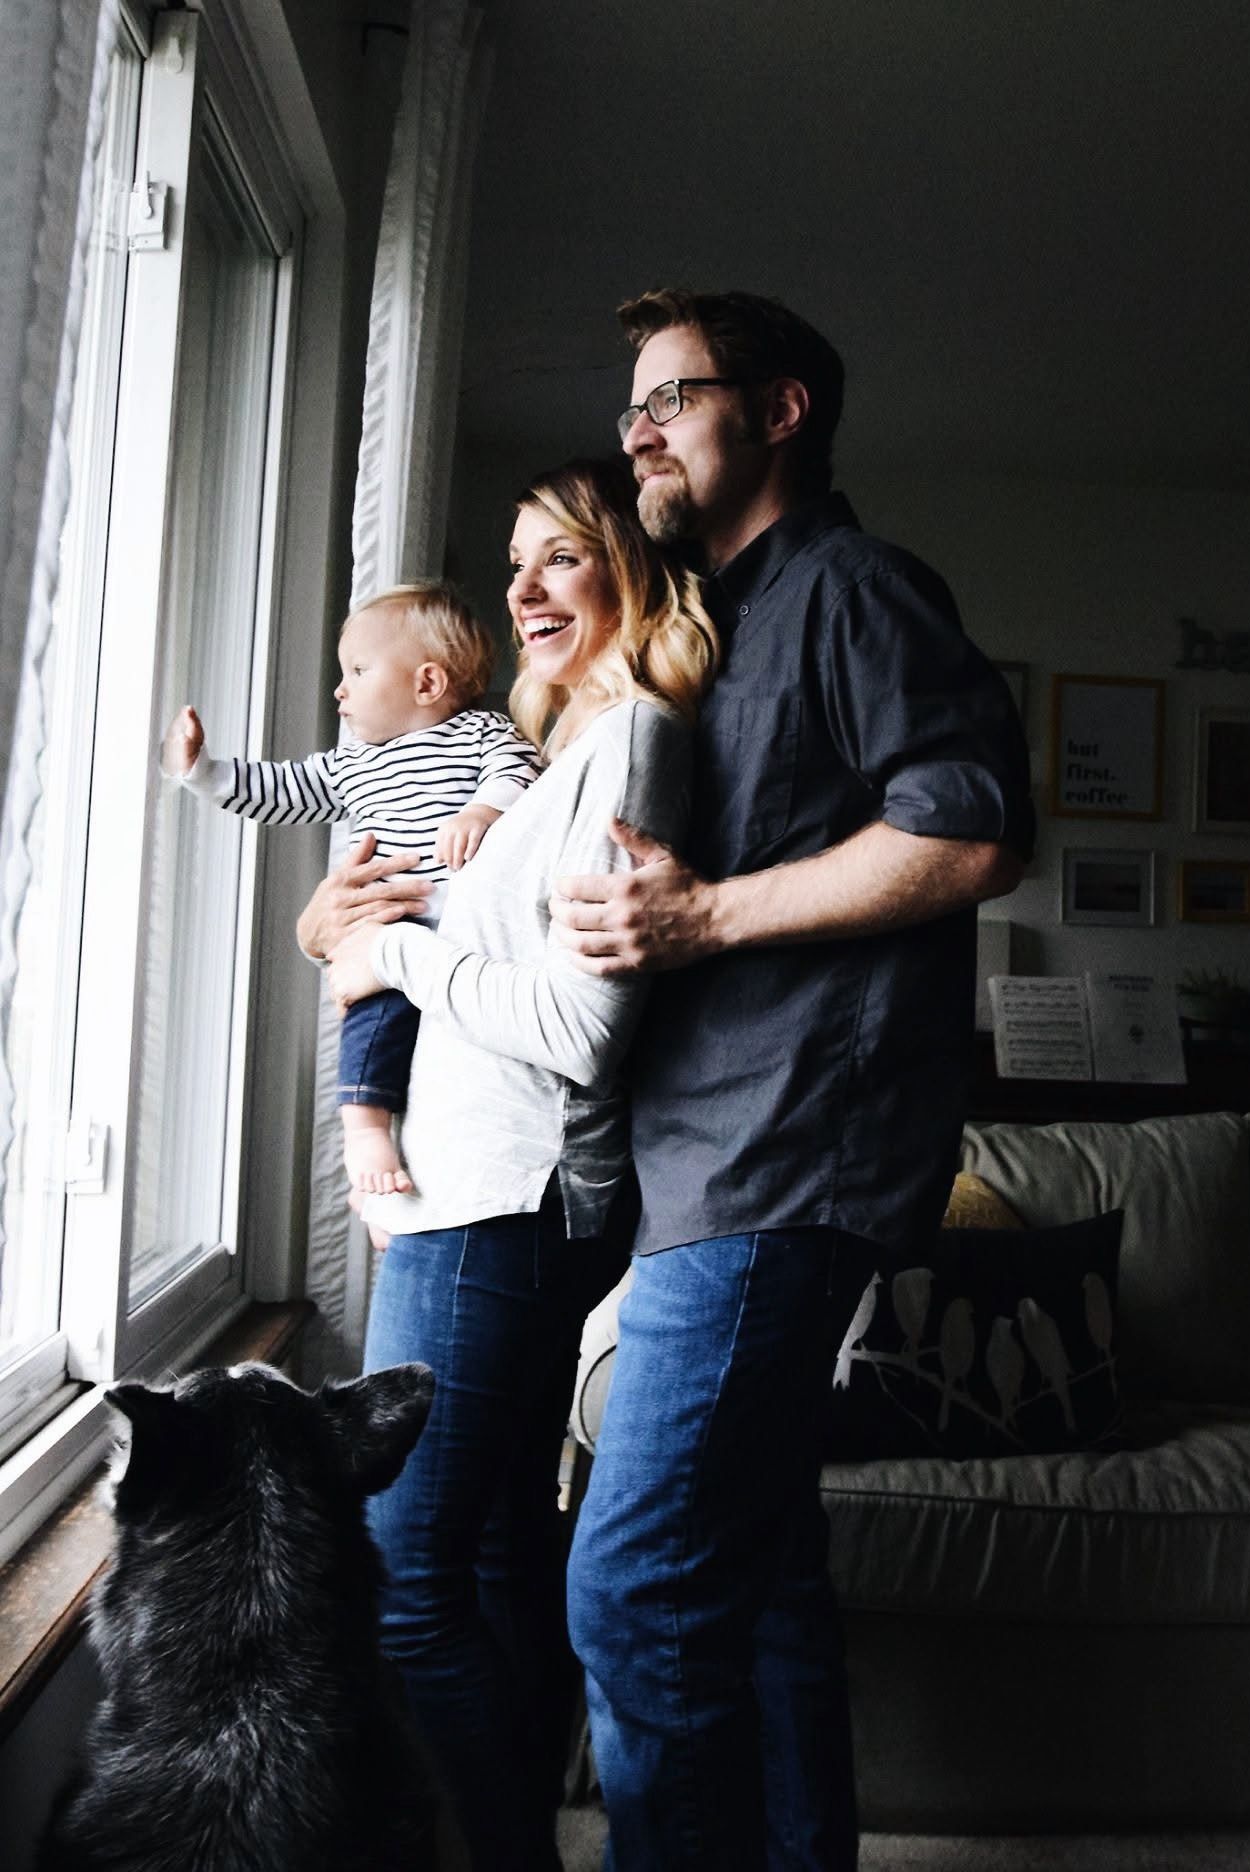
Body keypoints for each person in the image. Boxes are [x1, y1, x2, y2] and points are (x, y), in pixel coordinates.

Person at [550, 290, 1037, 1872]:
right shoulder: (704, 624)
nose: (634, 431)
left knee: (628, 1585)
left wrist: (697, 916)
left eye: (669, 395)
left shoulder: (855, 589)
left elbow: (969, 832)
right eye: (626, 406)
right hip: (698, 1161)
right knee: (756, 1580)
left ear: (780, 411)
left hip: (782, 1160)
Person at [311, 459, 718, 1872]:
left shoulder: (639, 742)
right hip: (473, 1203)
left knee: (402, 1582)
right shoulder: (558, 759)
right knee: (487, 1562)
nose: (526, 590)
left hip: (506, 1205)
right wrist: (364, 923)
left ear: (630, 569)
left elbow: (574, 1027)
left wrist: (395, 953)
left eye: (562, 557)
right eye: (513, 563)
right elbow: (462, 946)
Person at [161, 581, 540, 1202]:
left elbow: (518, 768)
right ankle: (365, 1132)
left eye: (358, 671)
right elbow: (280, 791)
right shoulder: (351, 764)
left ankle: (409, 1171)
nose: (340, 689)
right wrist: (202, 772)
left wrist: (483, 811)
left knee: (454, 1055)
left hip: (469, 935)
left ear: (427, 684)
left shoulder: (480, 731)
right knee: (374, 1021)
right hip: (393, 933)